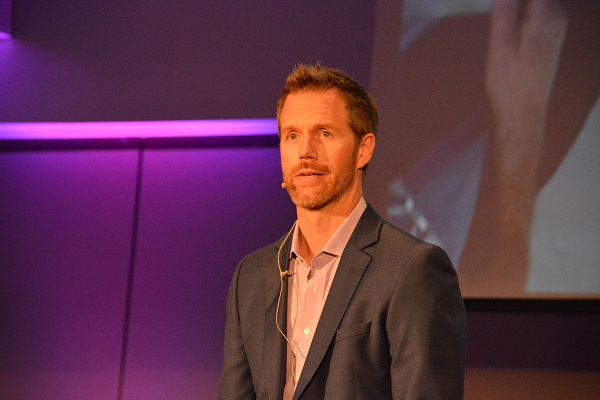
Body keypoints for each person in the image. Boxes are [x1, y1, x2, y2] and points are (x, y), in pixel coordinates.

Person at [219, 64, 466, 399]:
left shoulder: (413, 270)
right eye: (292, 135)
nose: (305, 151)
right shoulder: (251, 275)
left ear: (363, 149)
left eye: (324, 133)